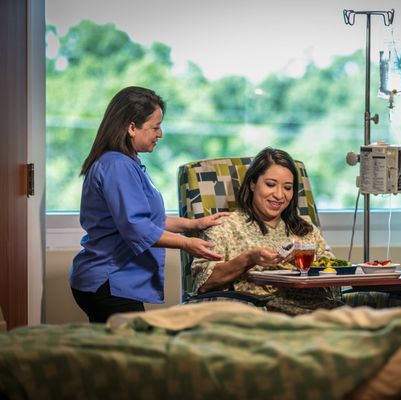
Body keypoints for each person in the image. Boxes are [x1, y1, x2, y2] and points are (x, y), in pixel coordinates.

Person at [70, 86, 228, 323]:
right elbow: (137, 228)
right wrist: (187, 244)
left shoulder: (126, 163)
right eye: (155, 127)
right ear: (132, 127)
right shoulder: (117, 166)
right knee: (130, 345)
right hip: (109, 280)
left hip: (113, 280)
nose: (160, 133)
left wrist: (194, 224)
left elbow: (148, 220)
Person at [191, 147, 343, 315]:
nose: (279, 195)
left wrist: (304, 263)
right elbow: (203, 283)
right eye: (270, 184)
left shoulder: (306, 229)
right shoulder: (224, 227)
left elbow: (333, 273)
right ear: (252, 184)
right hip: (262, 315)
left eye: (287, 187)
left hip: (321, 311)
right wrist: (249, 259)